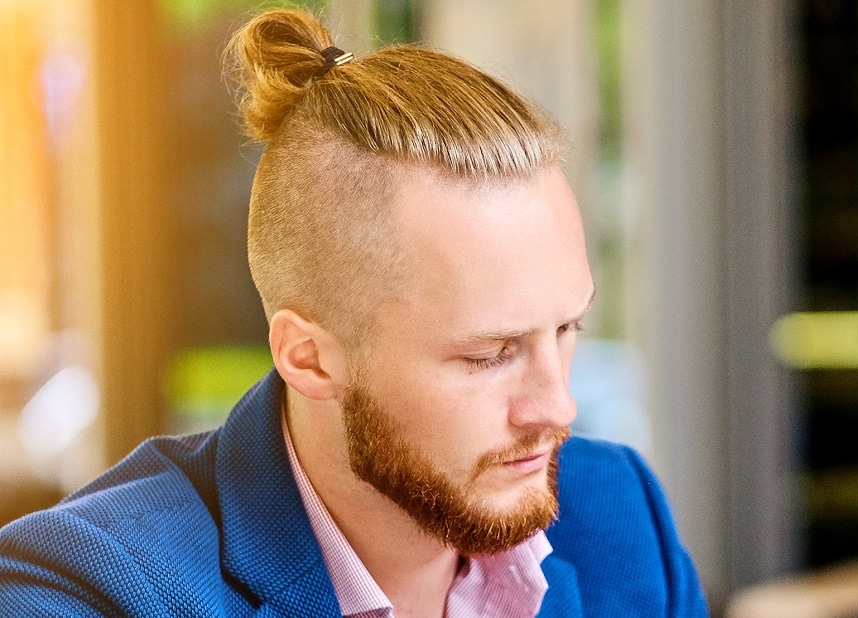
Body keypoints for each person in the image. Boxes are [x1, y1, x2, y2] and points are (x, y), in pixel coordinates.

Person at [0, 8, 707, 617]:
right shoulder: (90, 588)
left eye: (567, 329)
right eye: (489, 355)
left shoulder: (618, 515)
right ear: (309, 357)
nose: (557, 407)